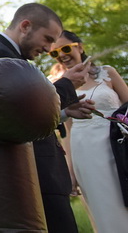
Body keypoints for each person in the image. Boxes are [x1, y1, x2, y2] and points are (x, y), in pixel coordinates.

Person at [0, 3, 94, 233]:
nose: (50, 48)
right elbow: (26, 109)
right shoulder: (0, 55)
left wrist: (66, 112)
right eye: (48, 39)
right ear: (26, 26)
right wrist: (67, 84)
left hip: (38, 173)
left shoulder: (4, 54)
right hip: (35, 174)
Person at [49, 31, 128, 233]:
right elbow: (67, 129)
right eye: (55, 52)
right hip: (85, 151)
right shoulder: (58, 87)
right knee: (104, 205)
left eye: (66, 48)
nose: (62, 55)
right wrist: (71, 169)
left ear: (80, 47)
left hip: (119, 143)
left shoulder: (107, 72)